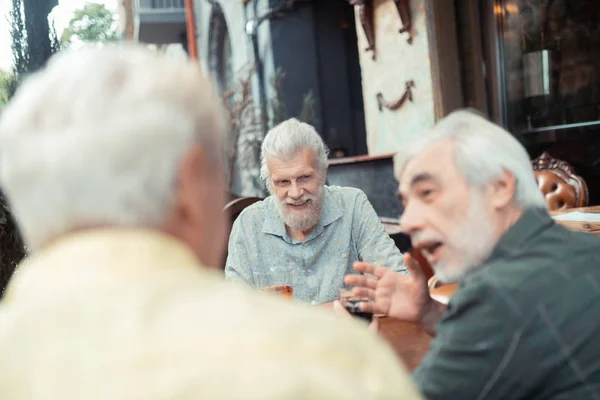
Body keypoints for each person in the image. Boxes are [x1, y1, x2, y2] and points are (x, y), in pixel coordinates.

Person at [0, 45, 421, 399]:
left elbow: (394, 280)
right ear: (189, 182)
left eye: (305, 177)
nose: (295, 191)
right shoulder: (338, 366)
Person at [343, 110, 600, 399]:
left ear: (499, 187)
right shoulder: (587, 251)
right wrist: (430, 314)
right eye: (405, 202)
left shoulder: (497, 293)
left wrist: (357, 351)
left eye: (427, 193)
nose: (407, 221)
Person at [225, 118, 406, 305]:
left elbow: (397, 283)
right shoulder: (248, 224)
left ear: (323, 174)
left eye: (304, 178)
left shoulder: (352, 206)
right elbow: (235, 312)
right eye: (283, 182)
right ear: (270, 184)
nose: (295, 193)